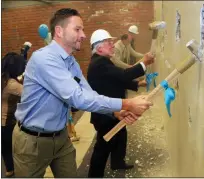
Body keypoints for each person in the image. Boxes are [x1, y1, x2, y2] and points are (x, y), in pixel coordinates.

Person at [12, 8, 152, 178]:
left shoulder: (71, 62)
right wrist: (128, 103)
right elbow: (77, 98)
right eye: (77, 29)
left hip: (61, 137)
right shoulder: (44, 59)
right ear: (59, 31)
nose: (83, 35)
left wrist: (115, 111)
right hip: (33, 141)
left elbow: (88, 93)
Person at [87, 29, 154, 177]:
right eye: (108, 42)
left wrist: (137, 84)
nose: (112, 45)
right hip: (105, 113)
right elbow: (123, 75)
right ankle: (94, 175)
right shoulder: (99, 64)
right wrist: (143, 63)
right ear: (99, 48)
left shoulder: (103, 61)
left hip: (113, 110)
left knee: (120, 134)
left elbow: (116, 80)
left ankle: (117, 162)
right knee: (103, 147)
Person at [2, 52, 26, 177]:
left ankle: (9, 169)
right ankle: (18, 171)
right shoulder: (11, 84)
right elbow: (29, 93)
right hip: (7, 122)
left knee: (5, 149)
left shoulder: (3, 79)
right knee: (17, 148)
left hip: (3, 121)